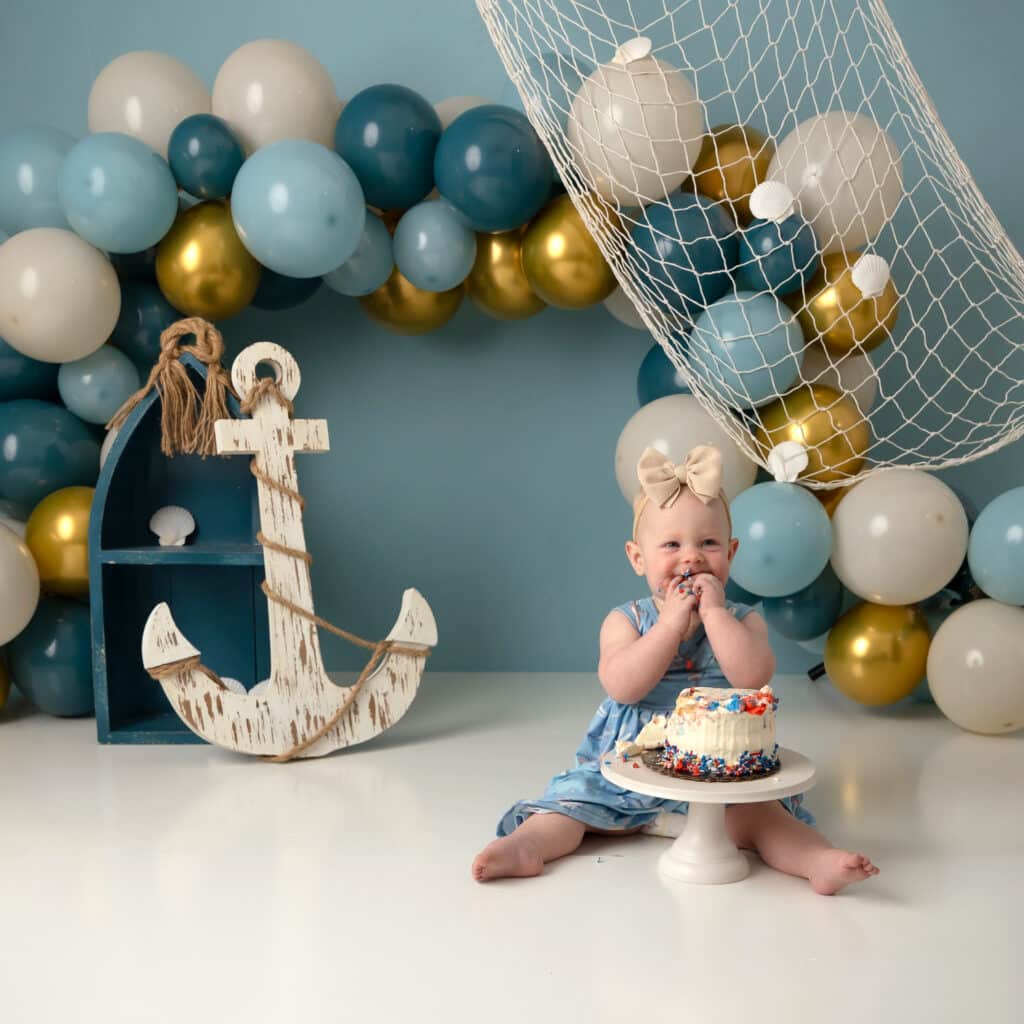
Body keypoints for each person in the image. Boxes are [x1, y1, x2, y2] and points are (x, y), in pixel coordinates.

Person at [471, 444, 879, 894]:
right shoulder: (626, 620)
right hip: (630, 761)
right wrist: (668, 626)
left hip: (718, 771)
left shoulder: (743, 620)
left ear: (732, 552)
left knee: (764, 817)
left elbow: (752, 677)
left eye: (708, 543)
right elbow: (622, 686)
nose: (692, 558)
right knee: (570, 807)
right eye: (671, 545)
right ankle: (527, 847)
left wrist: (717, 616)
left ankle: (816, 859)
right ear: (637, 557)